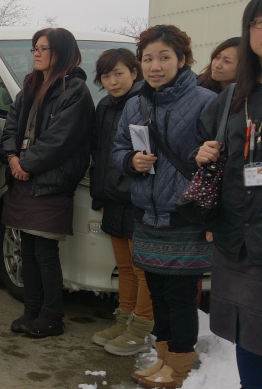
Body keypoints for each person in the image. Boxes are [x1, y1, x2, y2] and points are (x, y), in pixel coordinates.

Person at [112, 25, 216, 388]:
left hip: (184, 214)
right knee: (157, 293)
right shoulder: (134, 103)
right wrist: (131, 162)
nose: (155, 66)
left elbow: (221, 157)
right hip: (147, 214)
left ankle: (180, 366)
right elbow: (118, 151)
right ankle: (163, 359)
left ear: (182, 59)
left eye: (164, 57)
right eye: (148, 59)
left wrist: (203, 156)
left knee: (181, 296)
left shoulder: (206, 101)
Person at [1, 28, 95, 338]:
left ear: (62, 52)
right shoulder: (29, 86)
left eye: (44, 48)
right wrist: (13, 159)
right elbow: (11, 129)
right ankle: (32, 311)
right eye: (35, 48)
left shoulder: (75, 90)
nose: (37, 53)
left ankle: (52, 316)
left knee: (44, 252)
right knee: (27, 250)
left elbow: (60, 140)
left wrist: (25, 164)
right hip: (24, 179)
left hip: (50, 182)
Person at [194, 0, 262, 389]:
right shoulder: (234, 97)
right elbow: (207, 146)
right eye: (258, 23)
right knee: (249, 334)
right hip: (237, 236)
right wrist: (202, 152)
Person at [89, 49, 155, 356]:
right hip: (112, 198)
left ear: (134, 72)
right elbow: (100, 154)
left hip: (136, 197)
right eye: (106, 76)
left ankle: (142, 326)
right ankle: (124, 318)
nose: (113, 81)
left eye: (119, 73)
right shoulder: (104, 105)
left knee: (142, 268)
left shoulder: (144, 102)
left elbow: (147, 157)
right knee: (125, 267)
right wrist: (99, 194)